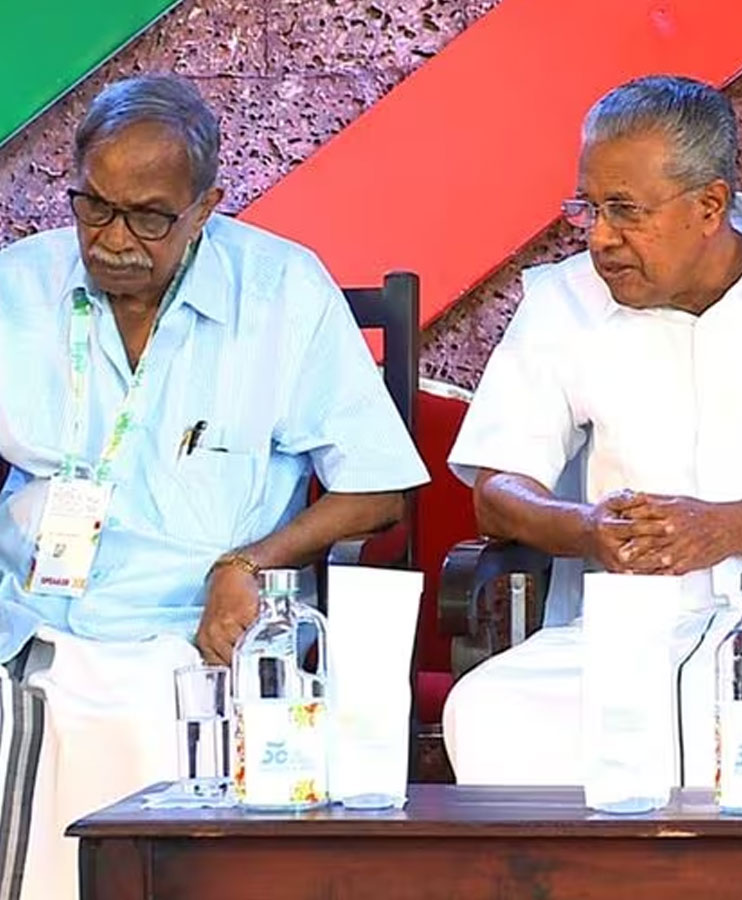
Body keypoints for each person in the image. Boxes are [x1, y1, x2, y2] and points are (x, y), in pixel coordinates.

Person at [443, 75, 742, 788]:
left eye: (624, 211)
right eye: (587, 208)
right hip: (626, 632)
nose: (600, 237)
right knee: (492, 709)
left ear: (709, 206)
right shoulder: (563, 301)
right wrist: (587, 528)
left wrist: (737, 525)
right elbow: (498, 488)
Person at [0, 75, 428, 899]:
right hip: (25, 615)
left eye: (148, 217)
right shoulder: (18, 285)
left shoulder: (281, 292)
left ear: (206, 208)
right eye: (94, 207)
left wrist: (251, 562)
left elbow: (379, 490)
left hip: (193, 627)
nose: (113, 239)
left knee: (155, 723)